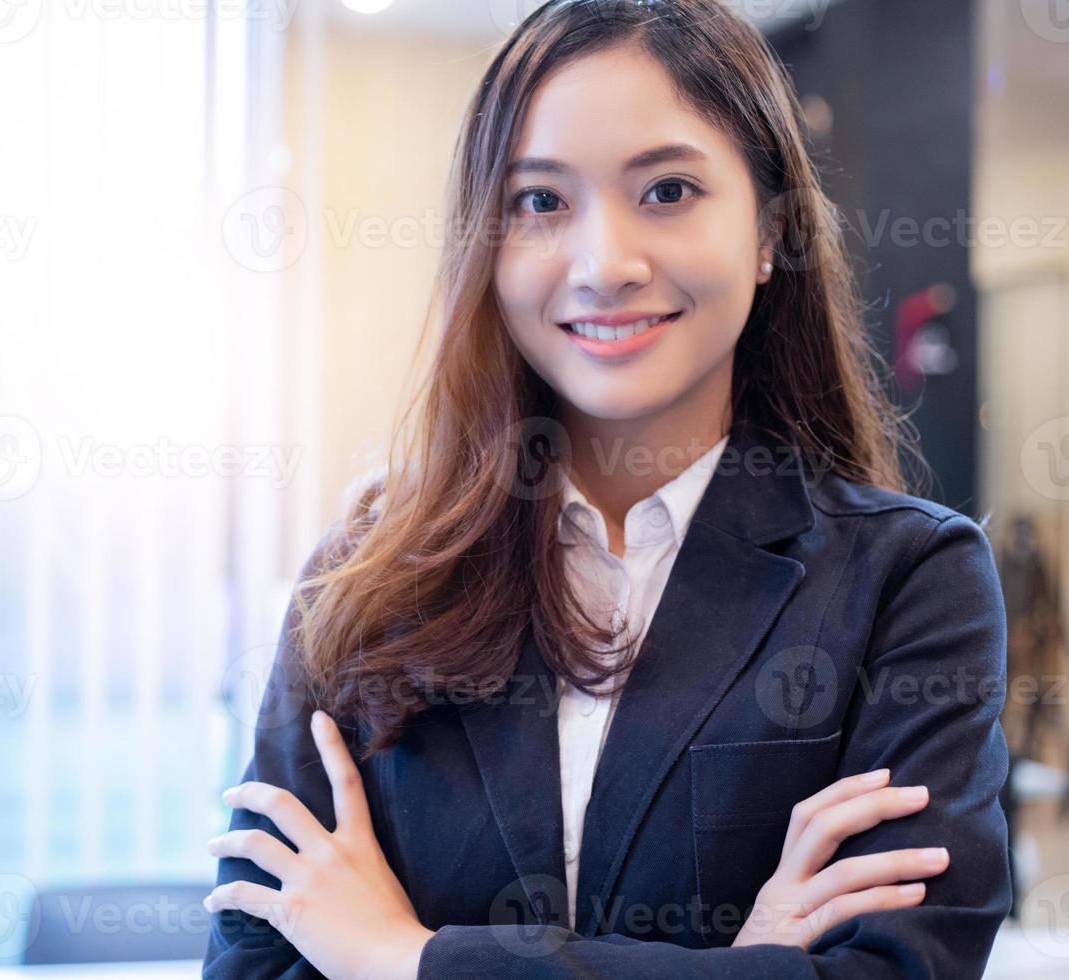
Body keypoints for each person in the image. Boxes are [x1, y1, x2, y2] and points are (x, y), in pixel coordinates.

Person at [201, 1, 1012, 976]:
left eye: (667, 189)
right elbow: (257, 957)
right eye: (540, 201)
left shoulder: (908, 579)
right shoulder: (370, 574)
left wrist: (400, 957)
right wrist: (742, 965)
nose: (604, 264)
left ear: (771, 234)